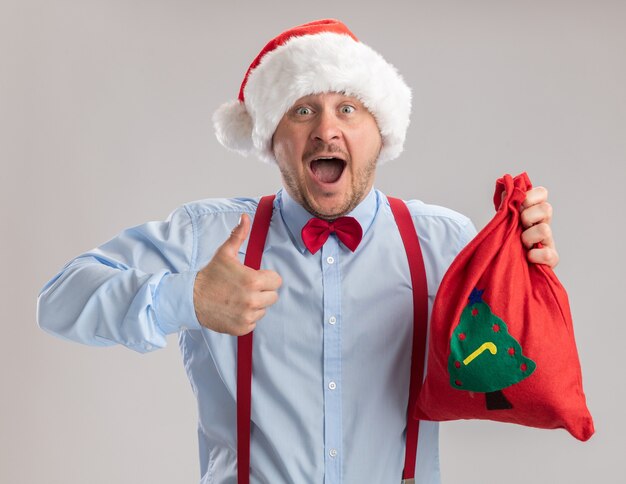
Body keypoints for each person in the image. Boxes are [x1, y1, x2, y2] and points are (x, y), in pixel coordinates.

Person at [37, 19, 558, 484]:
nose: (326, 129)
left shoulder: (441, 241)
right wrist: (188, 298)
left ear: (381, 133)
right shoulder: (210, 234)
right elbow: (59, 301)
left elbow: (520, 368)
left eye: (348, 109)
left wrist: (527, 270)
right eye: (302, 109)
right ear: (270, 137)